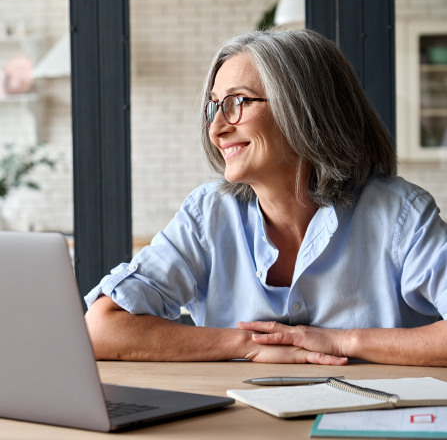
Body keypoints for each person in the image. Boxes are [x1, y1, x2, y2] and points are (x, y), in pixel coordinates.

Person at [85, 29, 447, 366]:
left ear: (307, 109)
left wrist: (341, 341)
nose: (216, 128)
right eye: (215, 106)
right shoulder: (208, 214)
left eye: (238, 102)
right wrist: (249, 344)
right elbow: (101, 327)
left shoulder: (401, 214)